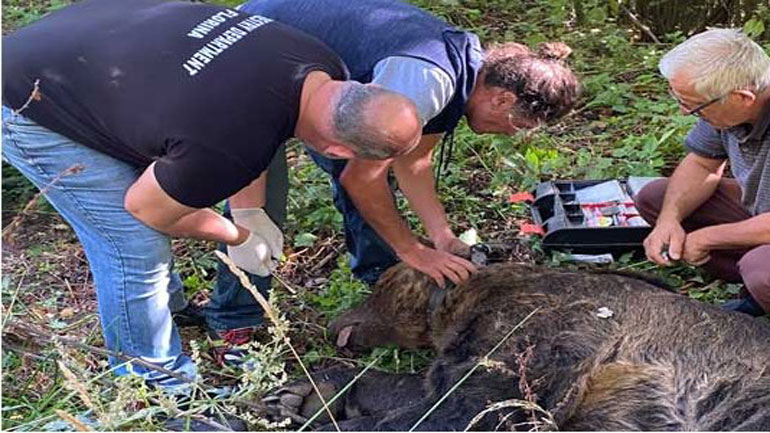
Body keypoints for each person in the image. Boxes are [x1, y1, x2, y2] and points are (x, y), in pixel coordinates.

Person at [2, 0, 422, 393]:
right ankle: (158, 389)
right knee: (132, 243)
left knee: (159, 175)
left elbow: (264, 122)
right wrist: (239, 237)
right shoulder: (227, 143)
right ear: (336, 151)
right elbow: (148, 209)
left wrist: (249, 210)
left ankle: (167, 313)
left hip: (88, 35)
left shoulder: (321, 64)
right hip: (26, 93)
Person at [199, 0, 580, 353]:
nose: (513, 133)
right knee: (257, 207)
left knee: (364, 165)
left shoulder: (465, 68)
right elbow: (361, 179)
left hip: (295, 62)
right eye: (521, 124)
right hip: (244, 55)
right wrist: (412, 250)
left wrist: (441, 237)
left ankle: (381, 280)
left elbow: (414, 160)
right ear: (503, 99)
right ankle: (235, 326)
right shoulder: (428, 81)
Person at [634, 28, 770, 317]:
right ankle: (755, 289)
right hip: (761, 213)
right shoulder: (724, 106)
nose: (685, 112)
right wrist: (669, 219)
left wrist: (709, 238)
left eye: (693, 106)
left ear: (742, 97)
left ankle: (758, 285)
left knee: (762, 270)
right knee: (656, 199)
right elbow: (702, 164)